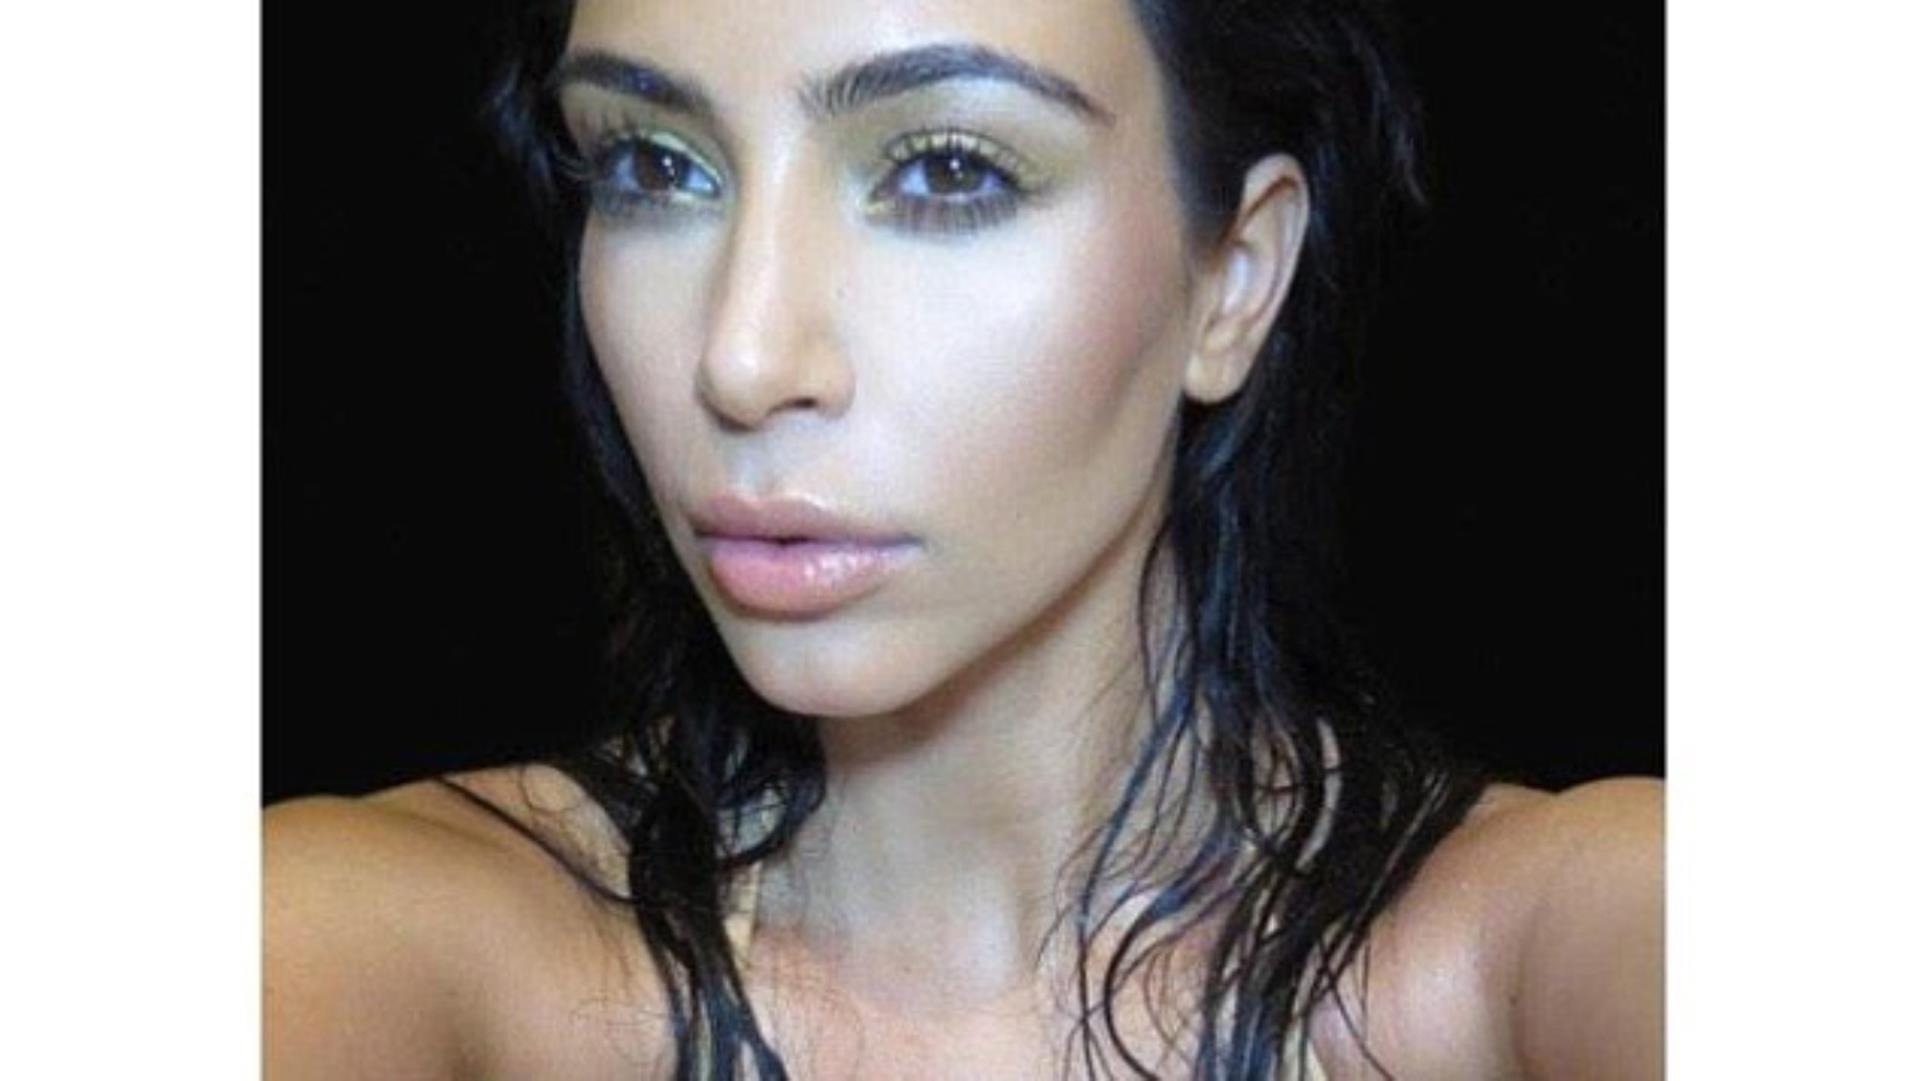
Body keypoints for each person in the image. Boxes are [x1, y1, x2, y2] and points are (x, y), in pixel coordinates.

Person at [264, 0, 1663, 1077]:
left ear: (1236, 276)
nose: (742, 358)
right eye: (655, 165)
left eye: (944, 170)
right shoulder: (373, 936)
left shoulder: (1539, 947)